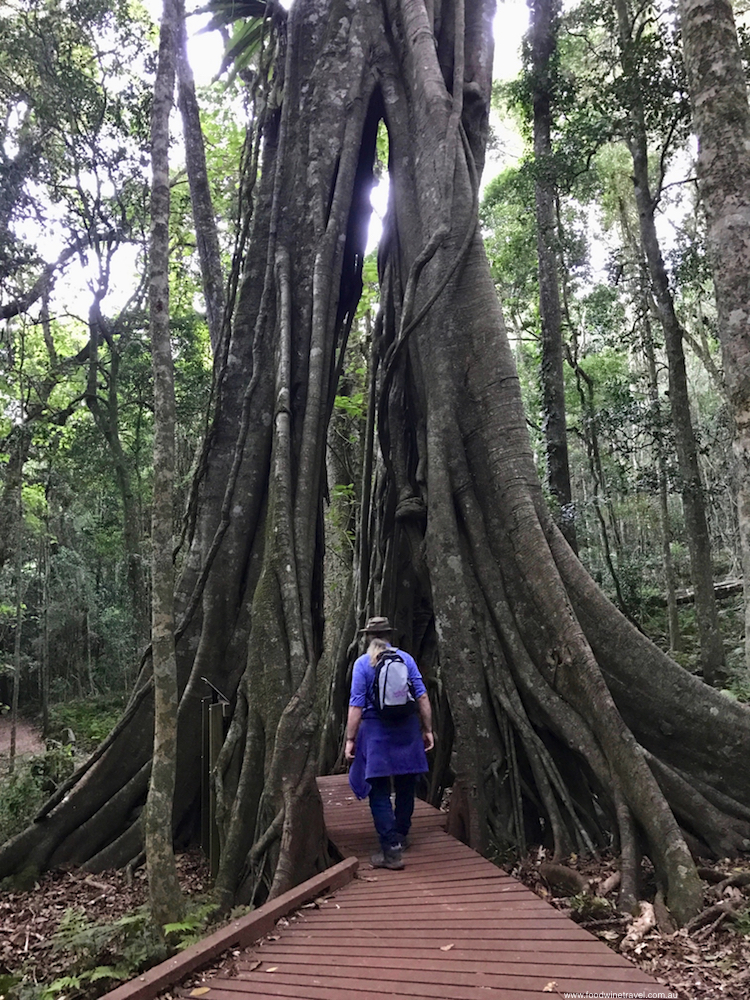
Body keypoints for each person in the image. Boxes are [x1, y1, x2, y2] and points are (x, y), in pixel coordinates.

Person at [345, 616, 434, 870]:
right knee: (406, 785)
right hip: (407, 730)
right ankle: (401, 835)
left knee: (380, 790)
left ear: (367, 638)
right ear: (389, 636)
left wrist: (350, 739)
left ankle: (391, 850)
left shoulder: (363, 664)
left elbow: (356, 705)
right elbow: (422, 697)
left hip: (376, 734)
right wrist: (427, 729)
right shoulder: (406, 659)